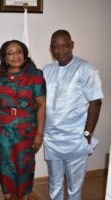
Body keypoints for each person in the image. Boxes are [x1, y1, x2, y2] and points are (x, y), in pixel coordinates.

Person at [43, 29, 103, 200]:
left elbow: (96, 102)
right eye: (55, 47)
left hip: (75, 138)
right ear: (51, 49)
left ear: (72, 45)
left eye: (64, 46)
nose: (60, 50)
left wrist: (87, 133)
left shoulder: (85, 68)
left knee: (74, 186)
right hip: (52, 138)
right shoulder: (47, 71)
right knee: (54, 183)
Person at [0, 40, 46, 200]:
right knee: (4, 165)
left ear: (24, 54)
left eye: (18, 51)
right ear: (5, 58)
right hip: (3, 129)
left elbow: (41, 105)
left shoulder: (36, 75)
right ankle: (8, 197)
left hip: (27, 130)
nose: (15, 56)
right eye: (10, 53)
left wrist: (40, 133)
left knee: (25, 165)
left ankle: (24, 197)